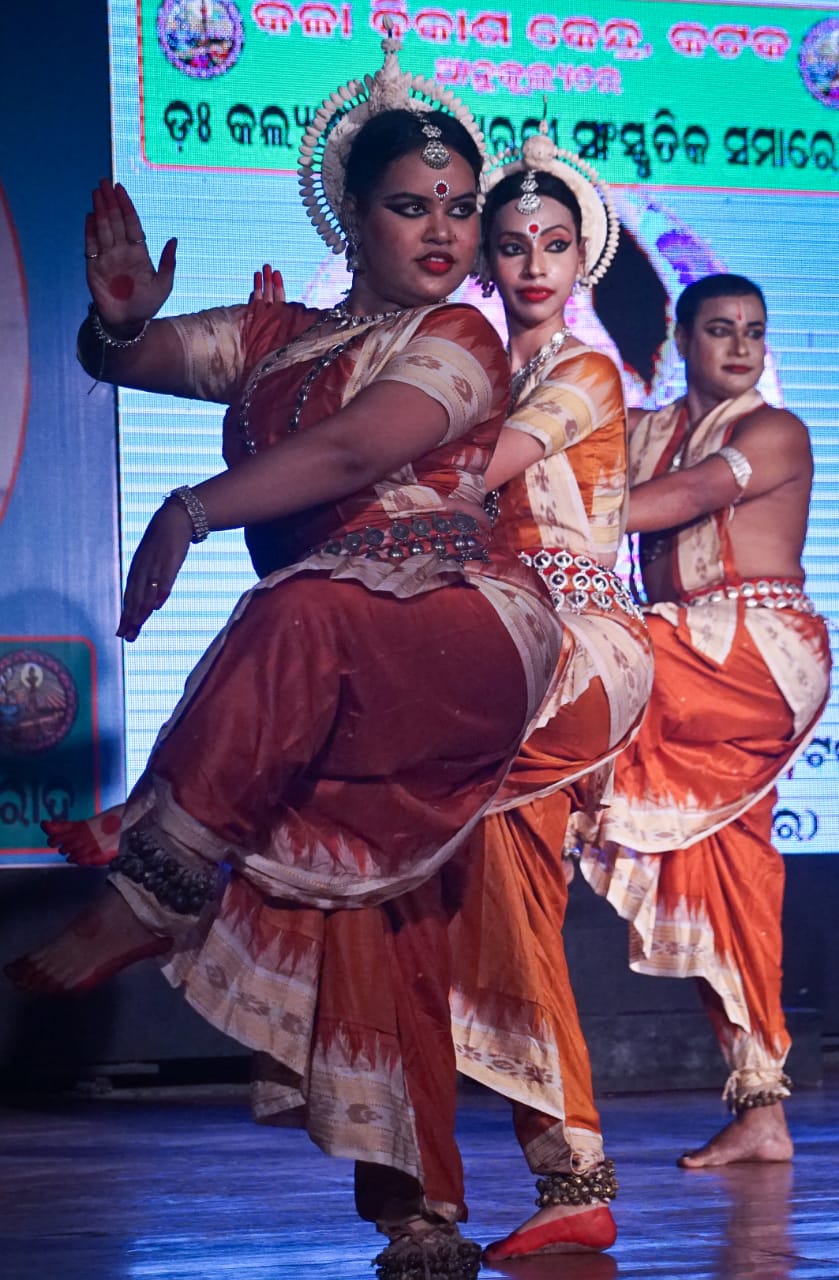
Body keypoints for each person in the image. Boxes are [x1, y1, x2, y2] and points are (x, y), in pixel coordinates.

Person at [6, 35, 565, 1279]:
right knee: (366, 906)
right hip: (331, 658)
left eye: (459, 208)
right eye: (411, 206)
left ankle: (150, 887)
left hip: (454, 623)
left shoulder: (461, 336)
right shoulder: (279, 337)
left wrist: (193, 508)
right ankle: (418, 1210)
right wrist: (118, 326)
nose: (443, 231)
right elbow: (143, 359)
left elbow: (357, 453)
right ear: (351, 218)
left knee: (301, 608)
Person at [444, 127, 654, 1259]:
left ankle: (565, 1171)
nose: (533, 262)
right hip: (501, 645)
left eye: (554, 243)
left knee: (435, 838)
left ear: (582, 259)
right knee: (495, 893)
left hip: (569, 649)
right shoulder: (477, 367)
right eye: (514, 243)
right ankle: (562, 1176)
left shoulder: (580, 371)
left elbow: (469, 474)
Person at [580, 273, 831, 1169]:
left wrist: (555, 520)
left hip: (756, 652)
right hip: (683, 653)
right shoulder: (642, 430)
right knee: (723, 877)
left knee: (578, 660)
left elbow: (685, 499)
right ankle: (761, 1107)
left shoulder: (774, 430)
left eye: (753, 331)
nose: (740, 346)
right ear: (680, 339)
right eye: (720, 329)